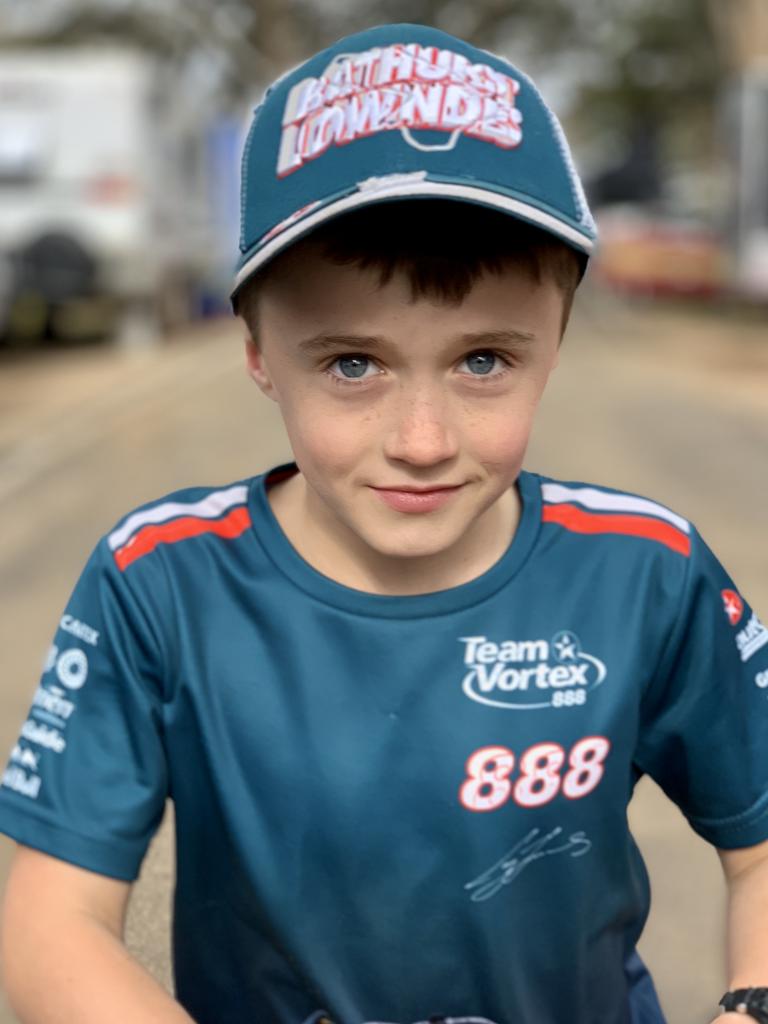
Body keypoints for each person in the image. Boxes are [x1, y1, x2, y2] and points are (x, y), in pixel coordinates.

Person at [1, 22, 767, 1024]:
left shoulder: (646, 572)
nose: (420, 439)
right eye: (351, 363)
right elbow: (48, 920)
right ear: (257, 350)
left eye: (483, 359)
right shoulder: (160, 582)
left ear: (558, 338)